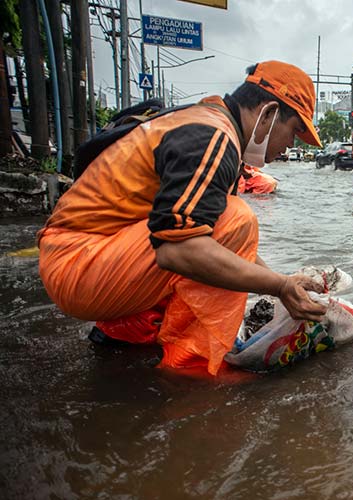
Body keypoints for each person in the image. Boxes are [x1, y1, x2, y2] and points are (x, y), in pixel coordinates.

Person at [37, 61, 327, 375]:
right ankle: (193, 368)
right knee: (238, 219)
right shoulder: (213, 136)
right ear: (268, 114)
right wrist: (279, 286)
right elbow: (181, 249)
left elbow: (212, 238)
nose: (290, 145)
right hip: (78, 265)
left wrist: (280, 282)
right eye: (294, 131)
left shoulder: (205, 120)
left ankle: (124, 331)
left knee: (217, 225)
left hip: (85, 255)